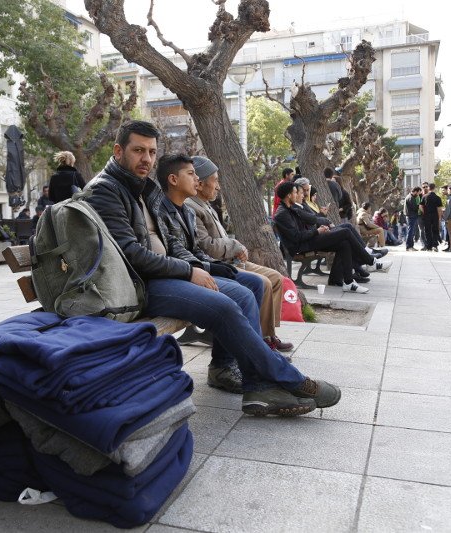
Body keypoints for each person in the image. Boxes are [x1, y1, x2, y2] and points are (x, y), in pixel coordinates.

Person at [84, 120, 341, 417]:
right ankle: (290, 379)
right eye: (138, 150)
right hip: (137, 285)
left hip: (159, 275)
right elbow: (131, 255)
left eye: (152, 152)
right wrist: (189, 271)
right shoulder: (107, 190)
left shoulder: (139, 187)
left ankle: (257, 388)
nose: (147, 159)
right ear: (118, 150)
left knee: (245, 292)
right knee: (225, 305)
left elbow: (171, 242)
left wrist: (198, 265)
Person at [185, 155, 294, 353]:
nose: (218, 186)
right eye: (215, 181)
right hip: (220, 265)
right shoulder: (192, 207)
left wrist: (236, 248)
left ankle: (267, 334)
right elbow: (205, 246)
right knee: (264, 283)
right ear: (200, 184)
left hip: (231, 261)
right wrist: (234, 245)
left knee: (277, 279)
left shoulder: (205, 204)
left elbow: (219, 240)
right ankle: (259, 339)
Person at [275, 182, 390, 294]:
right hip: (301, 246)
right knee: (345, 232)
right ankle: (370, 261)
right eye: (295, 192)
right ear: (289, 195)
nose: (300, 195)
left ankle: (349, 282)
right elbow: (296, 237)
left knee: (344, 243)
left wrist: (320, 228)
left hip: (308, 239)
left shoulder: (291, 208)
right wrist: (316, 231)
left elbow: (309, 222)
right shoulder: (282, 213)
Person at [421, 183, 443, 252]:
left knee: (427, 231)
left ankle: (429, 246)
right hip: (435, 216)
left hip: (426, 216)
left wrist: (424, 212)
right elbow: (439, 209)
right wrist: (439, 217)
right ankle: (435, 246)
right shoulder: (438, 198)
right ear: (434, 188)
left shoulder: (424, 197)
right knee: (435, 231)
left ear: (428, 188)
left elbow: (420, 206)